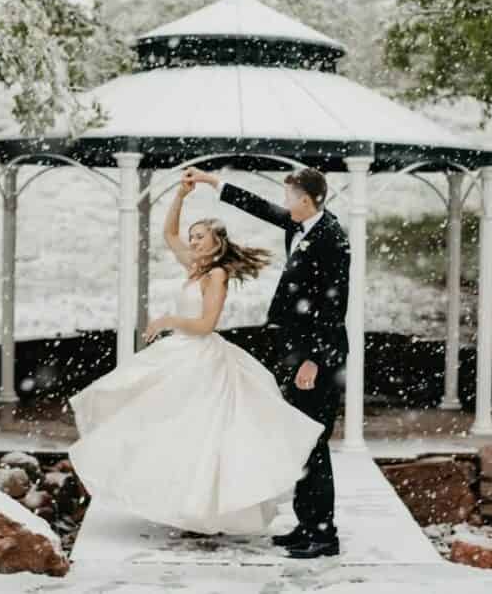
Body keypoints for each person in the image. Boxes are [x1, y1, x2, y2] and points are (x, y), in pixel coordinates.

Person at [67, 177, 324, 537]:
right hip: (179, 352)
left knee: (203, 434)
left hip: (202, 356)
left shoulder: (216, 274)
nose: (191, 242)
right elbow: (169, 234)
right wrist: (179, 196)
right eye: (193, 238)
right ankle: (184, 505)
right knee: (158, 419)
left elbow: (206, 324)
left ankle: (208, 511)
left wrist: (169, 320)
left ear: (216, 242)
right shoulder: (194, 265)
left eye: (199, 236)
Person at [184, 165, 350, 559]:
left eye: (289, 196)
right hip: (295, 352)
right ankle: (306, 524)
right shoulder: (303, 225)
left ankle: (324, 535)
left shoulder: (330, 238)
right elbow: (262, 208)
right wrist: (213, 182)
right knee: (300, 441)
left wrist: (313, 361)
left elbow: (333, 305)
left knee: (314, 442)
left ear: (306, 201)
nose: (284, 202)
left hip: (318, 359)